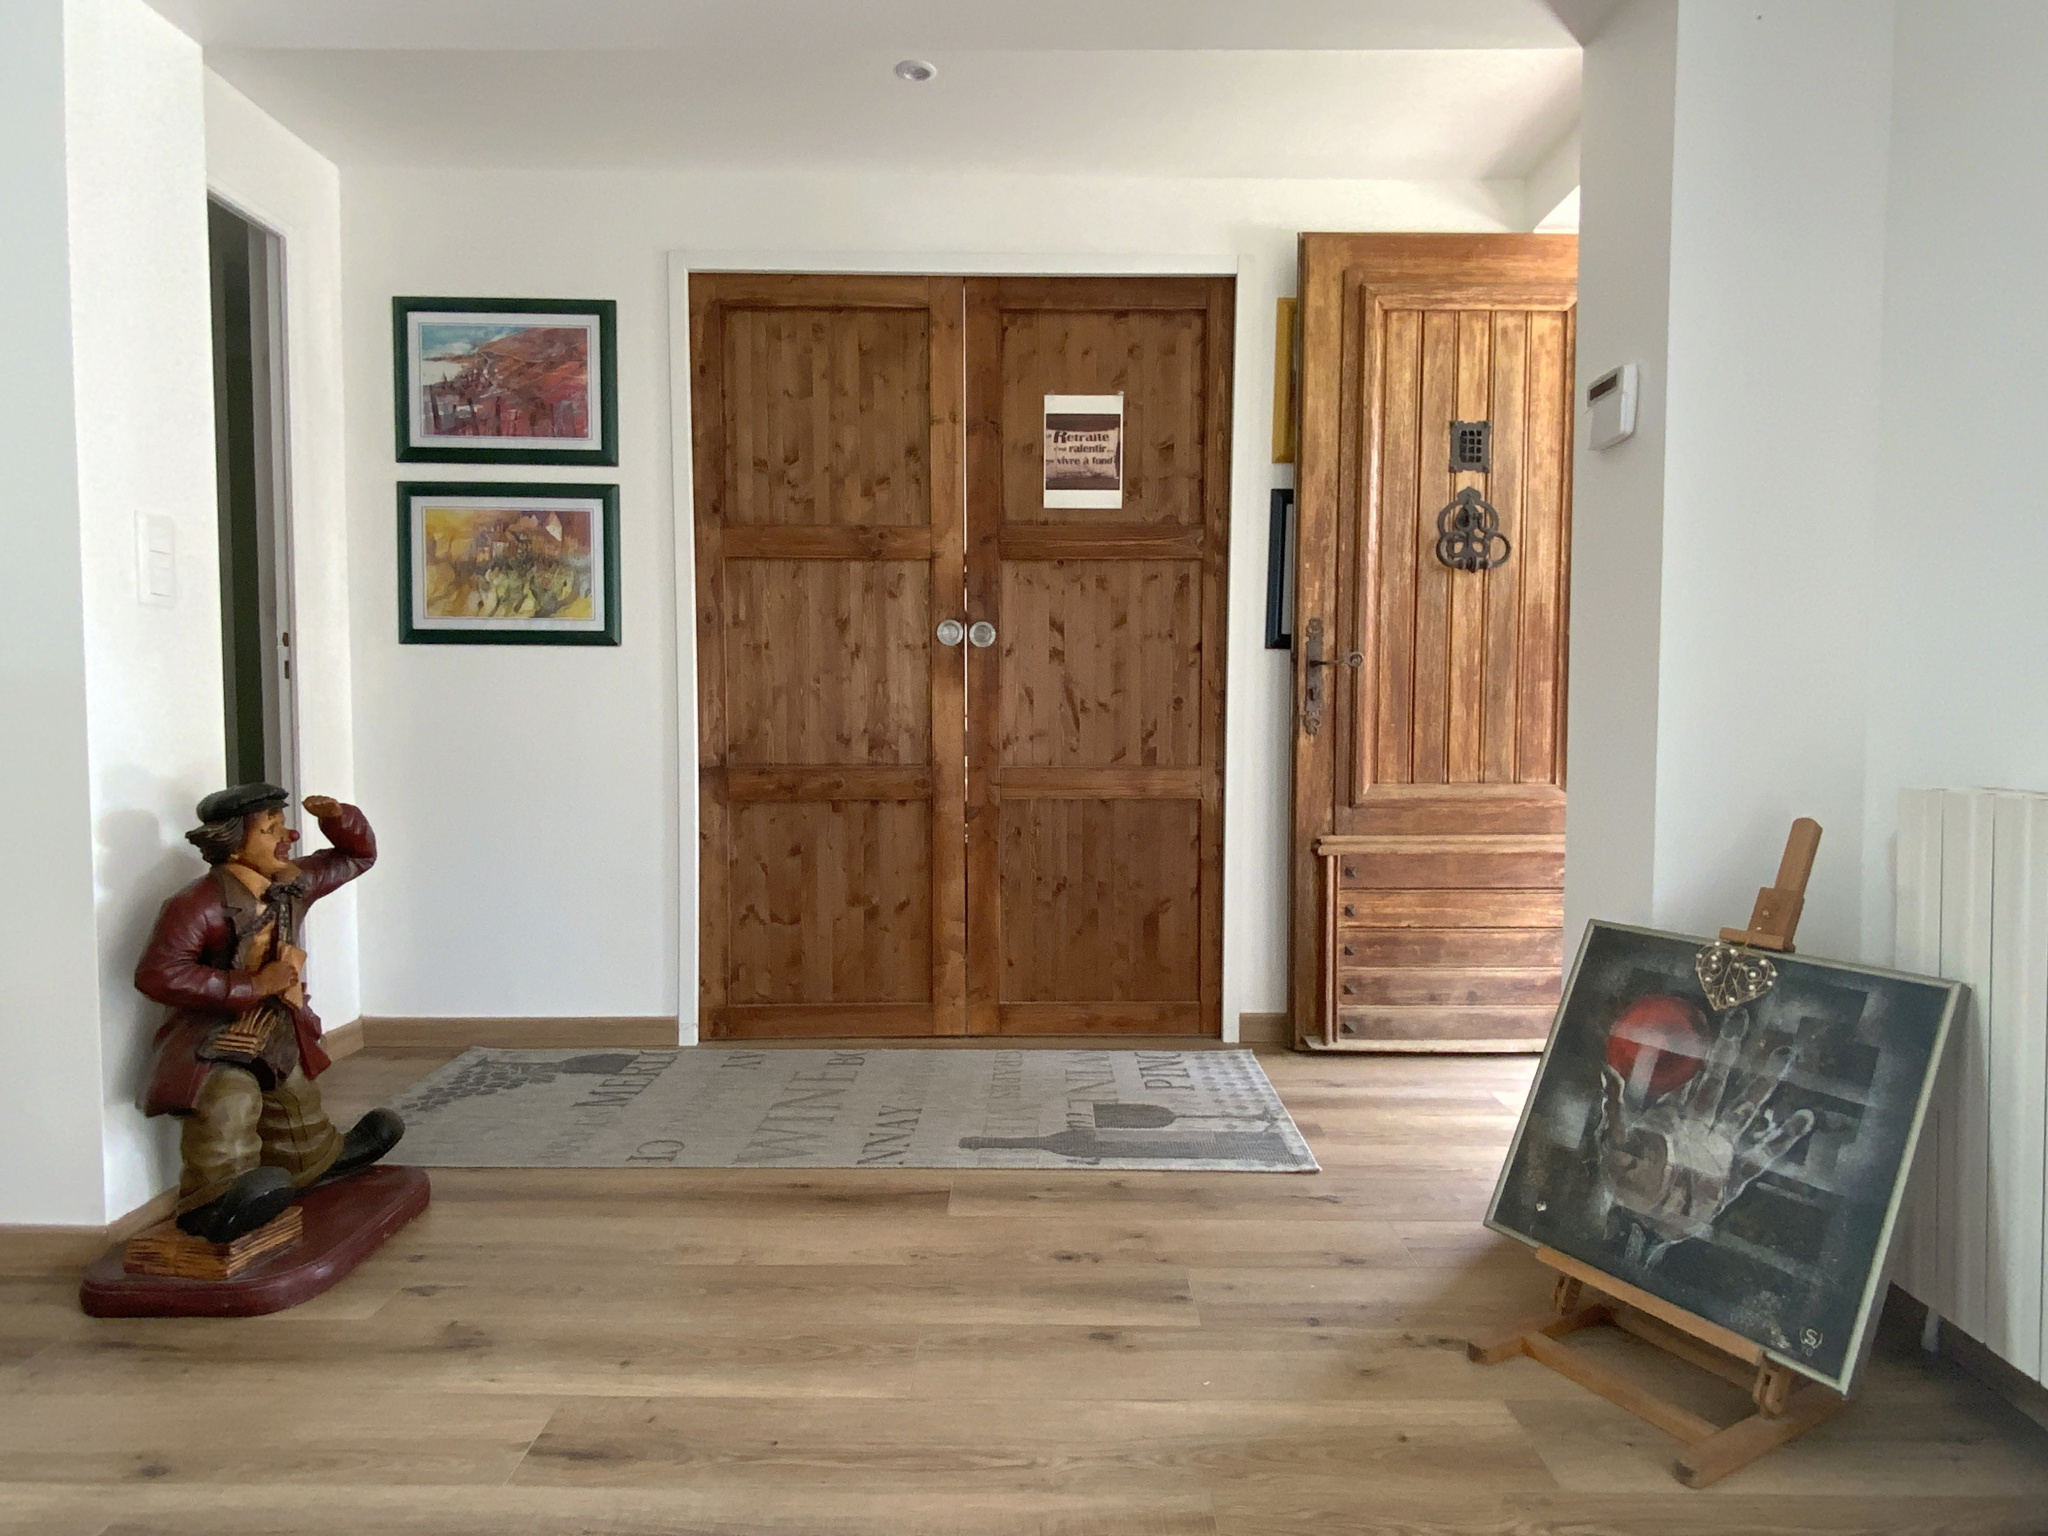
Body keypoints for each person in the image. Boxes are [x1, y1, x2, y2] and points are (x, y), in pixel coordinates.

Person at [135, 784, 403, 1243]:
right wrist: (253, 985)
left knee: (294, 1094)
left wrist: (338, 819)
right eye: (270, 829)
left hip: (275, 1026)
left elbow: (357, 857)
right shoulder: (196, 905)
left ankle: (311, 1162)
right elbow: (159, 974)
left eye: (283, 825)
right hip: (215, 1036)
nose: (288, 836)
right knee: (230, 1100)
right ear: (233, 843)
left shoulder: (291, 883)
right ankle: (215, 1197)